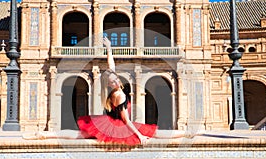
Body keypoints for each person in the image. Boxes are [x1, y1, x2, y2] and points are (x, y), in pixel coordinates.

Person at [23, 37, 199, 145]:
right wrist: (139, 136)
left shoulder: (113, 87)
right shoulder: (119, 94)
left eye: (115, 78)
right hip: (120, 127)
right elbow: (127, 121)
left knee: (79, 135)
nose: (115, 79)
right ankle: (189, 134)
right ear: (110, 84)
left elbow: (111, 65)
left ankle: (42, 135)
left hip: (110, 123)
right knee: (157, 134)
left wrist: (108, 48)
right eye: (112, 79)